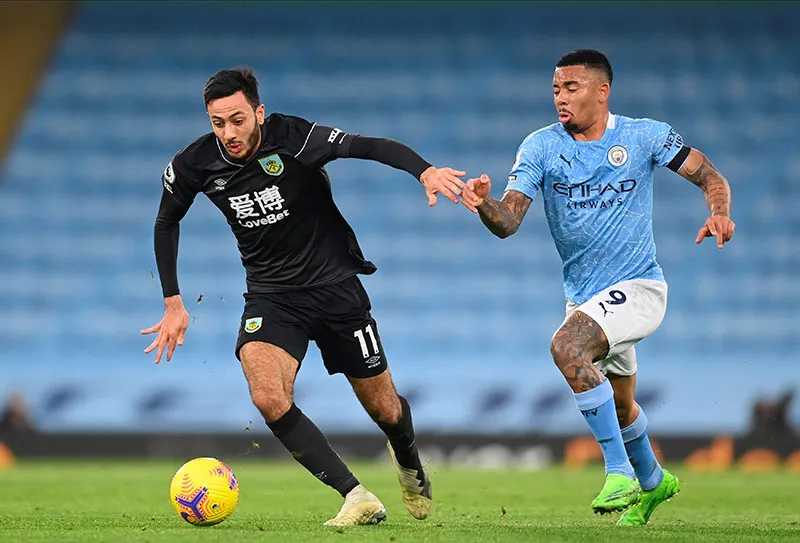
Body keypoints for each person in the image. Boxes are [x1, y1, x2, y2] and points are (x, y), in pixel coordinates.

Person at [141, 67, 466, 526]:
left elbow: (366, 145)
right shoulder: (194, 164)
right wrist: (173, 302)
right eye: (218, 123)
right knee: (267, 395)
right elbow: (165, 222)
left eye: (237, 120)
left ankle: (408, 459)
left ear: (258, 112)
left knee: (386, 408)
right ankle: (356, 496)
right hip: (272, 297)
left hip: (336, 289)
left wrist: (425, 171)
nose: (228, 133)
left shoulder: (295, 137)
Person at [460, 50, 734, 525]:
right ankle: (653, 481)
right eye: (555, 90)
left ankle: (617, 472)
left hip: (640, 287)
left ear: (602, 91)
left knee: (567, 346)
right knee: (622, 406)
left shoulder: (644, 135)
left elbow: (709, 174)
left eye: (571, 88)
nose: (560, 99)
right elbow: (509, 221)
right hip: (587, 299)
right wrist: (485, 204)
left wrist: (720, 211)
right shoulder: (540, 147)